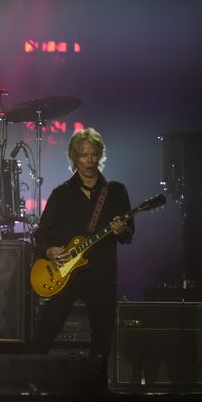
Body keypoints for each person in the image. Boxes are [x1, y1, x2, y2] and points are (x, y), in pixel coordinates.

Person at [28, 128, 133, 361]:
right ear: (74, 158)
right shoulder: (61, 194)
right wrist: (49, 251)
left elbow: (128, 235)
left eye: (94, 154)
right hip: (65, 274)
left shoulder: (116, 191)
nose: (90, 160)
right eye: (84, 155)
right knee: (47, 329)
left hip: (101, 273)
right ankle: (28, 381)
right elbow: (41, 235)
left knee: (103, 335)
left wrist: (122, 229)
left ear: (100, 156)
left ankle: (96, 388)